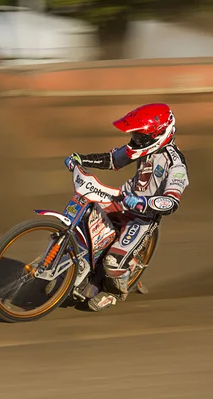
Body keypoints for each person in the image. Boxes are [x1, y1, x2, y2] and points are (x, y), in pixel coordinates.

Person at [64, 103, 190, 312]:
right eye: (135, 135)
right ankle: (79, 259)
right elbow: (113, 159)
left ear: (158, 134)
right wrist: (81, 159)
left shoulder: (176, 164)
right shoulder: (144, 146)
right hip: (122, 199)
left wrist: (144, 202)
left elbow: (171, 201)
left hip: (143, 217)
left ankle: (114, 293)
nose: (135, 141)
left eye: (141, 136)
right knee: (85, 209)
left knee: (112, 262)